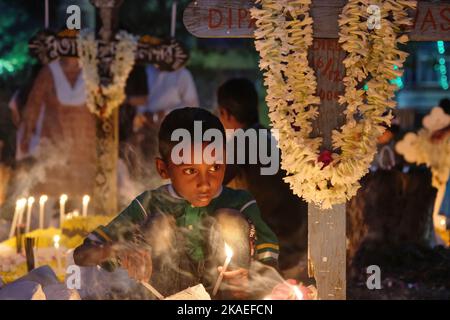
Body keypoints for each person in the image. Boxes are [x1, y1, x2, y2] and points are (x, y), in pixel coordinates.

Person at [74, 108, 279, 299]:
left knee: (231, 221)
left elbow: (270, 264)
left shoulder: (240, 202)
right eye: (190, 171)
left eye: (215, 167)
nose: (205, 183)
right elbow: (82, 255)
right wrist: (118, 249)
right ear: (163, 169)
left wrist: (253, 280)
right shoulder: (150, 202)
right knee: (159, 225)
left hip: (226, 299)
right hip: (165, 294)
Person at [217, 78, 308, 273]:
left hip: (273, 245)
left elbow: (211, 186)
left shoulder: (240, 144)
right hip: (299, 238)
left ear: (224, 113)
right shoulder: (273, 138)